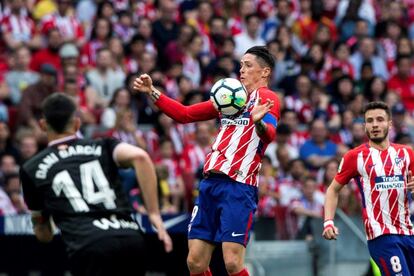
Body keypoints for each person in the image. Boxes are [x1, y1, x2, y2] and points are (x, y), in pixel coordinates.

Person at [134, 45, 280, 276]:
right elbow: (184, 114)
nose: (241, 69)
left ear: (264, 72)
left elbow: (269, 134)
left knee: (232, 263)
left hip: (238, 186)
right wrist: (153, 91)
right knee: (195, 263)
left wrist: (258, 121)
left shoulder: (267, 98)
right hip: (210, 184)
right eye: (241, 64)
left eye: (248, 65)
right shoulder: (229, 98)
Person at [20, 93, 172, 276]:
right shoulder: (103, 145)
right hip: (129, 236)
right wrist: (154, 213)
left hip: (88, 244)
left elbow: (44, 234)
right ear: (77, 123)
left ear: (43, 125)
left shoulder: (32, 168)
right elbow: (140, 157)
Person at [323, 101, 414, 274]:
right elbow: (332, 190)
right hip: (381, 237)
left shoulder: (406, 153)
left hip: (409, 233)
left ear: (389, 124)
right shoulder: (354, 157)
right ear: (365, 126)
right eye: (370, 121)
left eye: (380, 119)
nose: (375, 125)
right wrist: (328, 222)